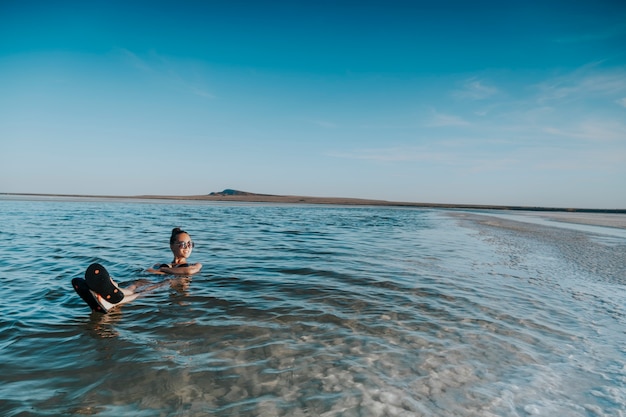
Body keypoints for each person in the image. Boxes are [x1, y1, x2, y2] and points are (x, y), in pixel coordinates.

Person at [72, 227, 202, 313]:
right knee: (138, 283)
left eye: (190, 244)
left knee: (159, 285)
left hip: (170, 284)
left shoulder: (195, 264)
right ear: (172, 246)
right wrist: (164, 270)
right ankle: (111, 290)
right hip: (157, 280)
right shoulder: (162, 264)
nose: (187, 247)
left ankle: (111, 303)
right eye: (183, 244)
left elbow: (189, 271)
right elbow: (149, 271)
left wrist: (164, 271)